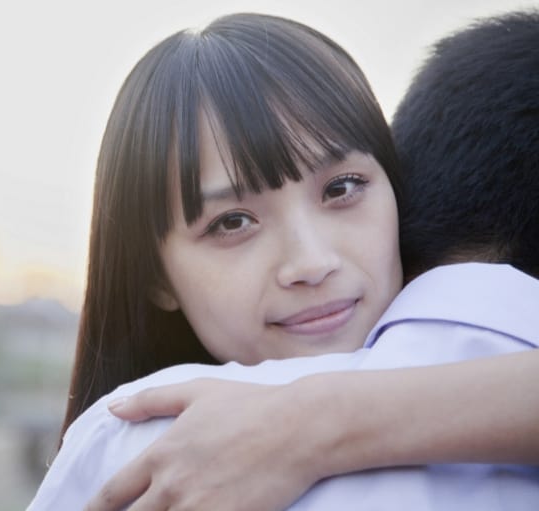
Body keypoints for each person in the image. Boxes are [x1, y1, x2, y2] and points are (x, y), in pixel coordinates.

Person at [27, 11, 539, 511]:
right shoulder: (137, 447)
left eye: (342, 188)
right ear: (155, 276)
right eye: (231, 223)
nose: (310, 262)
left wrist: (311, 424)